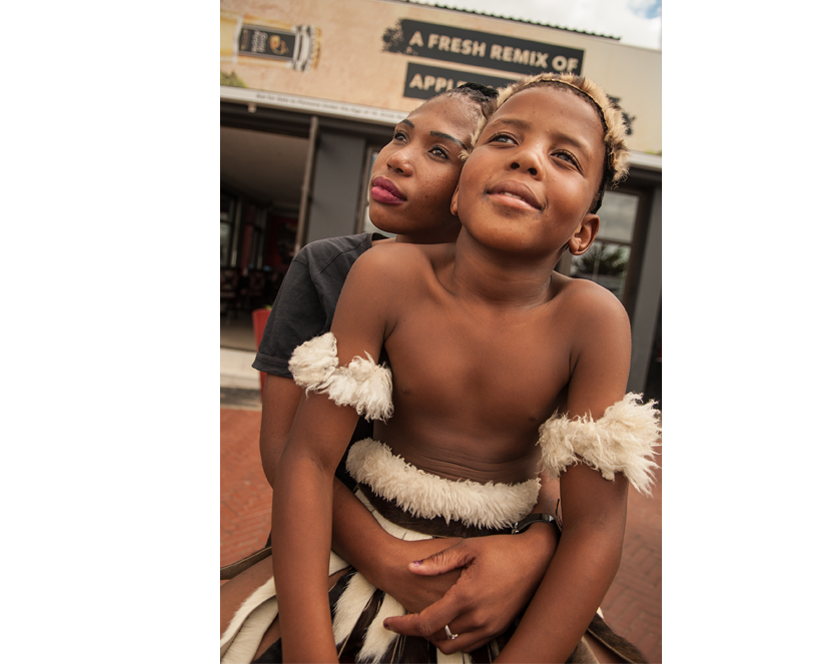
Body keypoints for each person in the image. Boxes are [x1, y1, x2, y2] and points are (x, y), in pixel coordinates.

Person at [223, 73, 660, 664]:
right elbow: (304, 456)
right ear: (461, 194)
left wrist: (537, 554)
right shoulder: (380, 275)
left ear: (584, 231)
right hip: (353, 548)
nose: (528, 159)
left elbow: (596, 526)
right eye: (505, 139)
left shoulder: (594, 320)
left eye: (563, 157)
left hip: (503, 572)